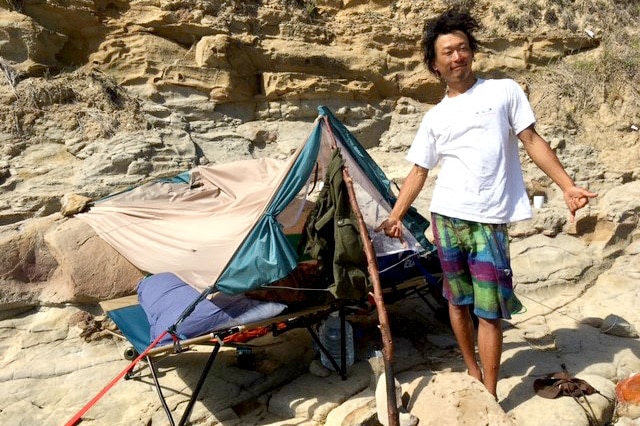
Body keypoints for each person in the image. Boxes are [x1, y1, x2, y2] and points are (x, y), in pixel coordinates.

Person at [376, 9, 597, 398]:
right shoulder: (435, 118)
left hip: (489, 219)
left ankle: (491, 394)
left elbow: (531, 140)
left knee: (489, 309)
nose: (456, 57)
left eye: (462, 48)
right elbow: (418, 172)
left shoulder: (503, 90)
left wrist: (566, 186)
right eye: (447, 52)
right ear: (435, 63)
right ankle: (473, 370)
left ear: (472, 52)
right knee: (457, 301)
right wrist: (395, 215)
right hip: (446, 216)